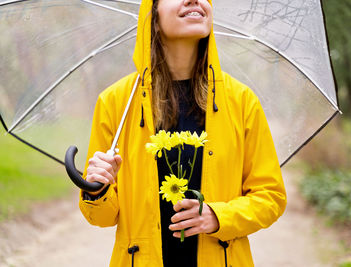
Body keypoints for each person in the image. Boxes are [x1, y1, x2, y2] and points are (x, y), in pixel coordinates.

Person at [79, 0, 287, 266]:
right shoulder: (116, 103)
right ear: (151, 15)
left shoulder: (241, 101)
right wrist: (97, 188)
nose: (194, 0)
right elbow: (101, 217)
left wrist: (218, 216)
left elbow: (271, 196)